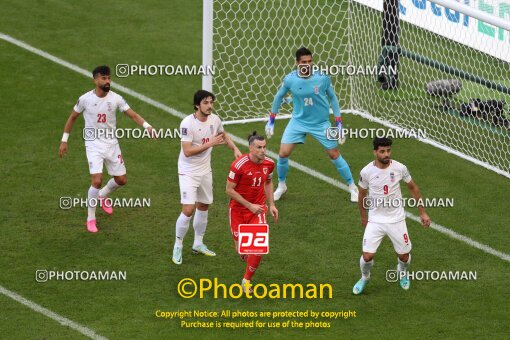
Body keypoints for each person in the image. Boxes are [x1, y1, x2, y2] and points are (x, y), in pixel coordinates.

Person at [58, 65, 156, 233]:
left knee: (121, 180)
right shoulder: (85, 99)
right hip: (93, 144)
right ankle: (90, 218)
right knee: (96, 180)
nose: (107, 81)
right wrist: (64, 140)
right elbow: (72, 117)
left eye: (109, 78)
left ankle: (102, 196)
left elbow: (132, 114)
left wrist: (147, 126)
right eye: (103, 78)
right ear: (95, 80)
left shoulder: (116, 98)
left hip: (111, 144)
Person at [265, 47, 358, 202]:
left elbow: (333, 99)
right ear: (297, 63)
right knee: (283, 153)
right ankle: (281, 186)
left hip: (321, 123)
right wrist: (271, 120)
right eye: (303, 62)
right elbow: (279, 96)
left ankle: (352, 187)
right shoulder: (290, 79)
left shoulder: (322, 78)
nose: (307, 65)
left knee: (334, 153)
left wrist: (339, 124)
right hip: (298, 122)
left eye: (309, 61)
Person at [352, 137, 431, 294]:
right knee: (367, 256)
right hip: (375, 220)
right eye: (382, 151)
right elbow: (362, 195)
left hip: (396, 220)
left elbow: (413, 188)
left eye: (388, 150)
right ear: (375, 152)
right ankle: (365, 277)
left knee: (404, 257)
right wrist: (363, 218)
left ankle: (402, 271)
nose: (386, 154)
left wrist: (422, 212)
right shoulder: (366, 172)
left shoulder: (400, 168)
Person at [172, 90, 242, 265]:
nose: (210, 106)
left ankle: (198, 244)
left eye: (211, 102)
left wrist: (234, 148)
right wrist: (210, 144)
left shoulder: (215, 119)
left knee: (203, 205)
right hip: (188, 171)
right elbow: (187, 152)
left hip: (205, 170)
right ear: (197, 105)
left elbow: (223, 135)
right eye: (206, 102)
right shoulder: (187, 123)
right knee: (188, 209)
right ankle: (178, 245)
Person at [226, 132, 278, 292]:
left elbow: (268, 182)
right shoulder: (238, 165)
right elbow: (229, 190)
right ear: (250, 148)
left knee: (258, 246)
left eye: (264, 147)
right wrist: (249, 205)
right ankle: (247, 257)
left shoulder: (269, 164)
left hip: (258, 209)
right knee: (241, 250)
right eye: (259, 147)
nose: (263, 150)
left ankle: (246, 280)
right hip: (238, 210)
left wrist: (272, 204)